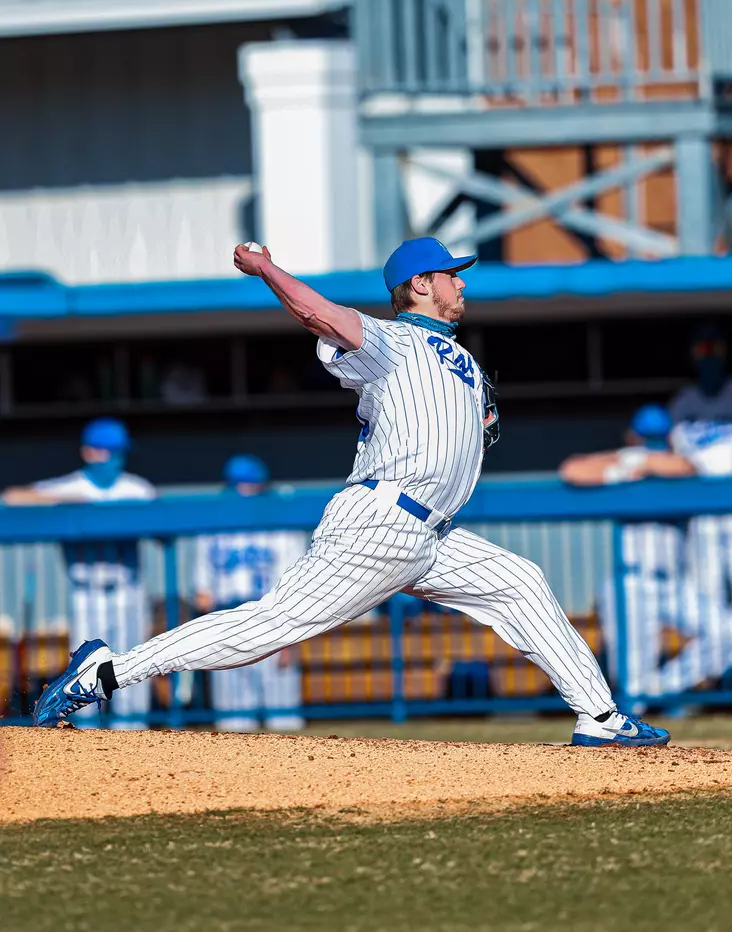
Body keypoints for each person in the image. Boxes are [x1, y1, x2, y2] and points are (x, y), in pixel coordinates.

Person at [34, 237, 670, 746]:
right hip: (381, 523)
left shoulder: (462, 359)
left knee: (520, 581)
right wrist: (266, 269)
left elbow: (461, 426)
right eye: (452, 274)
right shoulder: (390, 343)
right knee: (273, 625)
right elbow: (319, 315)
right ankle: (106, 672)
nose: (462, 282)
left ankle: (601, 716)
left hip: (431, 533)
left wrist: (479, 419)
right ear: (420, 285)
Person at [560, 406, 732, 705]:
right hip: (628, 582)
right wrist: (625, 464)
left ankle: (660, 688)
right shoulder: (625, 465)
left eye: (657, 438)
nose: (651, 443)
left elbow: (686, 467)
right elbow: (572, 470)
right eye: (646, 438)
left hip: (672, 584)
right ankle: (641, 709)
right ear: (633, 437)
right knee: (631, 686)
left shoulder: (679, 466)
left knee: (730, 632)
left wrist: (643, 462)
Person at [3, 418, 156, 729]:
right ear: (87, 452)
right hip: (86, 591)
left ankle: (137, 738)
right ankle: (82, 740)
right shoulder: (72, 485)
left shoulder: (136, 488)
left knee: (134, 669)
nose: (112, 458)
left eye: (117, 452)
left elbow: (164, 524)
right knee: (84, 671)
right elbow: (11, 497)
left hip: (127, 590)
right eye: (105, 451)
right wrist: (67, 501)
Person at [194, 455, 307, 732]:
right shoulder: (212, 527)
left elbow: (295, 585)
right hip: (227, 619)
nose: (246, 491)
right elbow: (201, 592)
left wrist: (289, 637)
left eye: (252, 486)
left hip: (271, 618)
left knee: (284, 719)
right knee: (233, 722)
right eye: (240, 485)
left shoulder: (281, 527)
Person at [669, 323, 732, 427]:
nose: (709, 355)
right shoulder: (682, 402)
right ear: (692, 355)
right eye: (702, 349)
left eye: (715, 348)